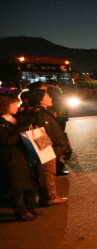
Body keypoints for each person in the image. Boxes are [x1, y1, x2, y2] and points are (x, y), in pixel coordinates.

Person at [0, 92, 44, 220]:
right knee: (18, 185)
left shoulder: (16, 117)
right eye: (14, 103)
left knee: (31, 180)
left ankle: (31, 207)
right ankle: (20, 211)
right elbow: (6, 141)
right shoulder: (2, 122)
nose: (17, 105)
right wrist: (21, 130)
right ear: (4, 105)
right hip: (12, 158)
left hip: (26, 154)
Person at [26, 89, 70, 205]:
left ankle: (47, 196)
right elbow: (41, 133)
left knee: (48, 171)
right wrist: (52, 145)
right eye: (47, 96)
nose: (50, 98)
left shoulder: (41, 112)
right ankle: (50, 197)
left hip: (46, 145)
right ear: (40, 100)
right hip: (44, 146)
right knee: (48, 171)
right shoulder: (40, 114)